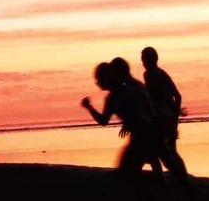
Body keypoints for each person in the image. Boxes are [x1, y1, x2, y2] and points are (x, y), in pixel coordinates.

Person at [81, 60, 162, 178]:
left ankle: (159, 184)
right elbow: (140, 108)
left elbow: (104, 120)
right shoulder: (133, 86)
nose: (97, 82)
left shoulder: (116, 95)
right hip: (151, 131)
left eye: (99, 79)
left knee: (128, 172)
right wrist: (129, 123)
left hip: (143, 134)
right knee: (148, 162)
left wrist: (89, 107)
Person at [141, 46, 190, 181]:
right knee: (167, 151)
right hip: (161, 118)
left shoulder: (158, 74)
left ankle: (182, 179)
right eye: (143, 59)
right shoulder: (150, 74)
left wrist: (174, 118)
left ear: (153, 59)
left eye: (145, 59)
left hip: (164, 119)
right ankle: (182, 179)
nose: (143, 62)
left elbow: (177, 96)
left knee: (166, 151)